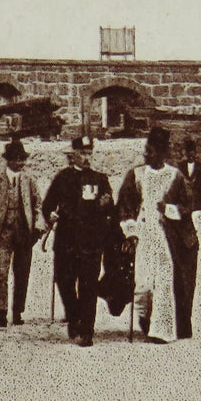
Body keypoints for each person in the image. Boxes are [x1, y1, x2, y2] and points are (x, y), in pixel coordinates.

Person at [119, 127, 199, 343]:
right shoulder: (136, 175)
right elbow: (125, 206)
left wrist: (169, 210)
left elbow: (189, 204)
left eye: (151, 151)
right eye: (146, 150)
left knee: (165, 282)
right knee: (143, 284)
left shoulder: (175, 176)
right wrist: (131, 231)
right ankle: (145, 319)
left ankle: (161, 331)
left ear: (163, 153)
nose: (146, 155)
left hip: (166, 237)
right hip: (144, 235)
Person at [41, 135, 117, 347]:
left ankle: (87, 331)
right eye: (82, 153)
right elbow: (47, 206)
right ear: (72, 155)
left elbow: (110, 207)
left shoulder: (99, 179)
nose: (86, 157)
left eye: (88, 153)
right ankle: (74, 316)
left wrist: (106, 204)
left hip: (91, 243)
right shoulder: (62, 178)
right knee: (64, 282)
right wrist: (51, 216)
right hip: (66, 242)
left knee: (88, 286)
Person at [0, 138, 44, 327]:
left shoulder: (30, 181)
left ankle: (18, 311)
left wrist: (39, 226)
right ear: (8, 160)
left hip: (24, 234)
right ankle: (1, 311)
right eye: (17, 159)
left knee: (22, 273)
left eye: (23, 159)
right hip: (3, 234)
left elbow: (38, 205)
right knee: (2, 273)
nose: (21, 163)